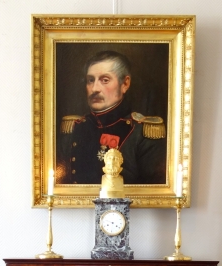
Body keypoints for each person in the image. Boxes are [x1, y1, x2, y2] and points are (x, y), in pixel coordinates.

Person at [57, 50, 167, 186]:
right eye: (90, 80)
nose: (95, 88)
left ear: (125, 84)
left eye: (105, 80)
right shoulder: (74, 128)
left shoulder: (141, 132)